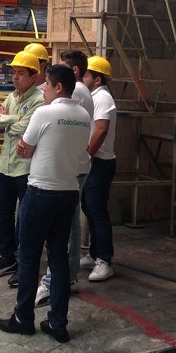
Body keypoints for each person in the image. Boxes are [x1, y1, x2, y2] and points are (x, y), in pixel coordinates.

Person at [0, 64, 91, 342]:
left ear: (58, 87)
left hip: (41, 192)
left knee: (28, 256)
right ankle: (58, 322)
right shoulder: (83, 116)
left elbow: (24, 147)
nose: (44, 90)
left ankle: (23, 318)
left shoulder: (44, 113)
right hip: (68, 193)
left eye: (46, 85)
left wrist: (30, 148)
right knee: (58, 257)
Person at [35, 49, 93, 305]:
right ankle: (68, 275)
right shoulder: (81, 93)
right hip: (75, 166)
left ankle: (55, 280)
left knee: (63, 226)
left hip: (68, 170)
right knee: (70, 222)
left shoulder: (75, 93)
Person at [0, 50, 44, 280]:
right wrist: (13, 119)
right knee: (4, 215)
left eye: (21, 73)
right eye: (14, 72)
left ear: (34, 76)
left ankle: (23, 264)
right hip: (5, 167)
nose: (15, 77)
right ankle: (7, 258)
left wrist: (7, 119)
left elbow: (25, 129)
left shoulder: (39, 101)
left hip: (25, 168)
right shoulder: (12, 97)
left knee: (26, 218)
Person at [79, 56, 117, 282]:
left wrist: (87, 156)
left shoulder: (102, 98)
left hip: (99, 163)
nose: (82, 78)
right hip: (93, 161)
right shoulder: (92, 96)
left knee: (97, 210)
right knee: (89, 208)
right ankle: (94, 254)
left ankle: (104, 260)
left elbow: (101, 129)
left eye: (86, 74)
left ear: (97, 79)